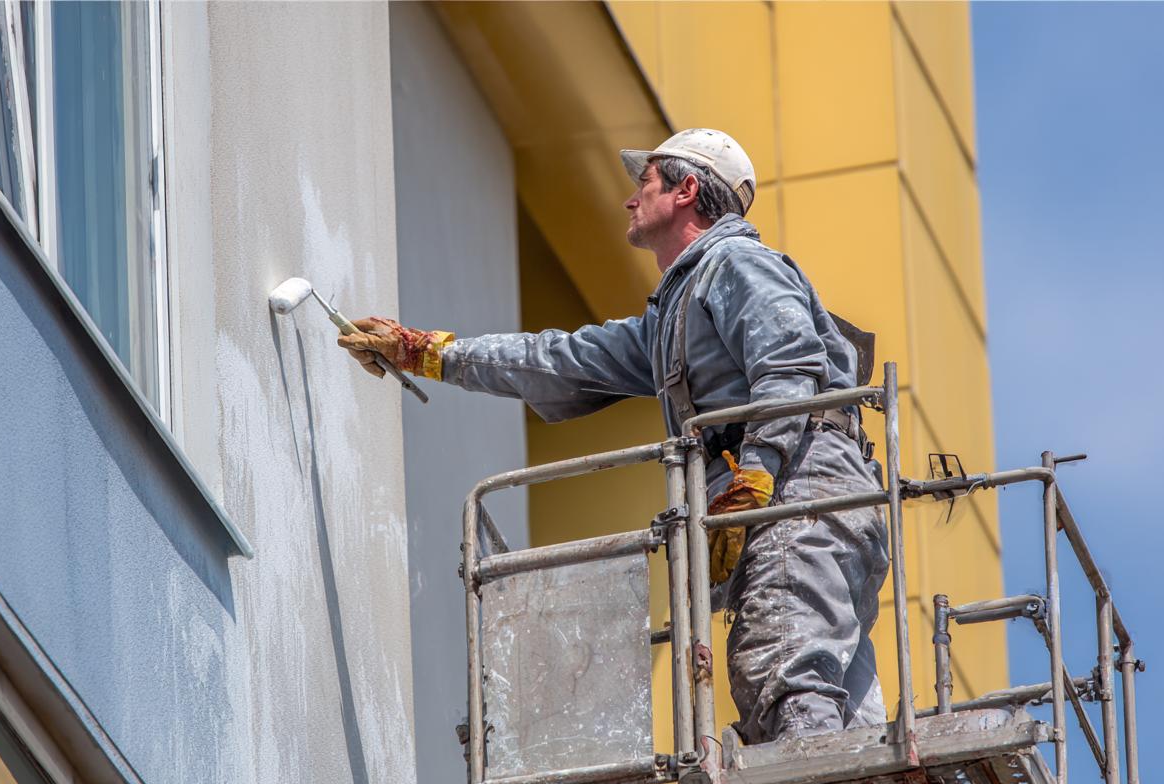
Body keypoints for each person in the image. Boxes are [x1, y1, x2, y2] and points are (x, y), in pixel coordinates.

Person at [338, 129, 890, 744]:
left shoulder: (736, 264)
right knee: (836, 705)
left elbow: (790, 366)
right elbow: (559, 359)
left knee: (783, 672)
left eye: (644, 184)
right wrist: (431, 354)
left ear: (686, 190)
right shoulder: (674, 314)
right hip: (813, 504)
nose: (631, 200)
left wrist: (753, 478)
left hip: (799, 495)